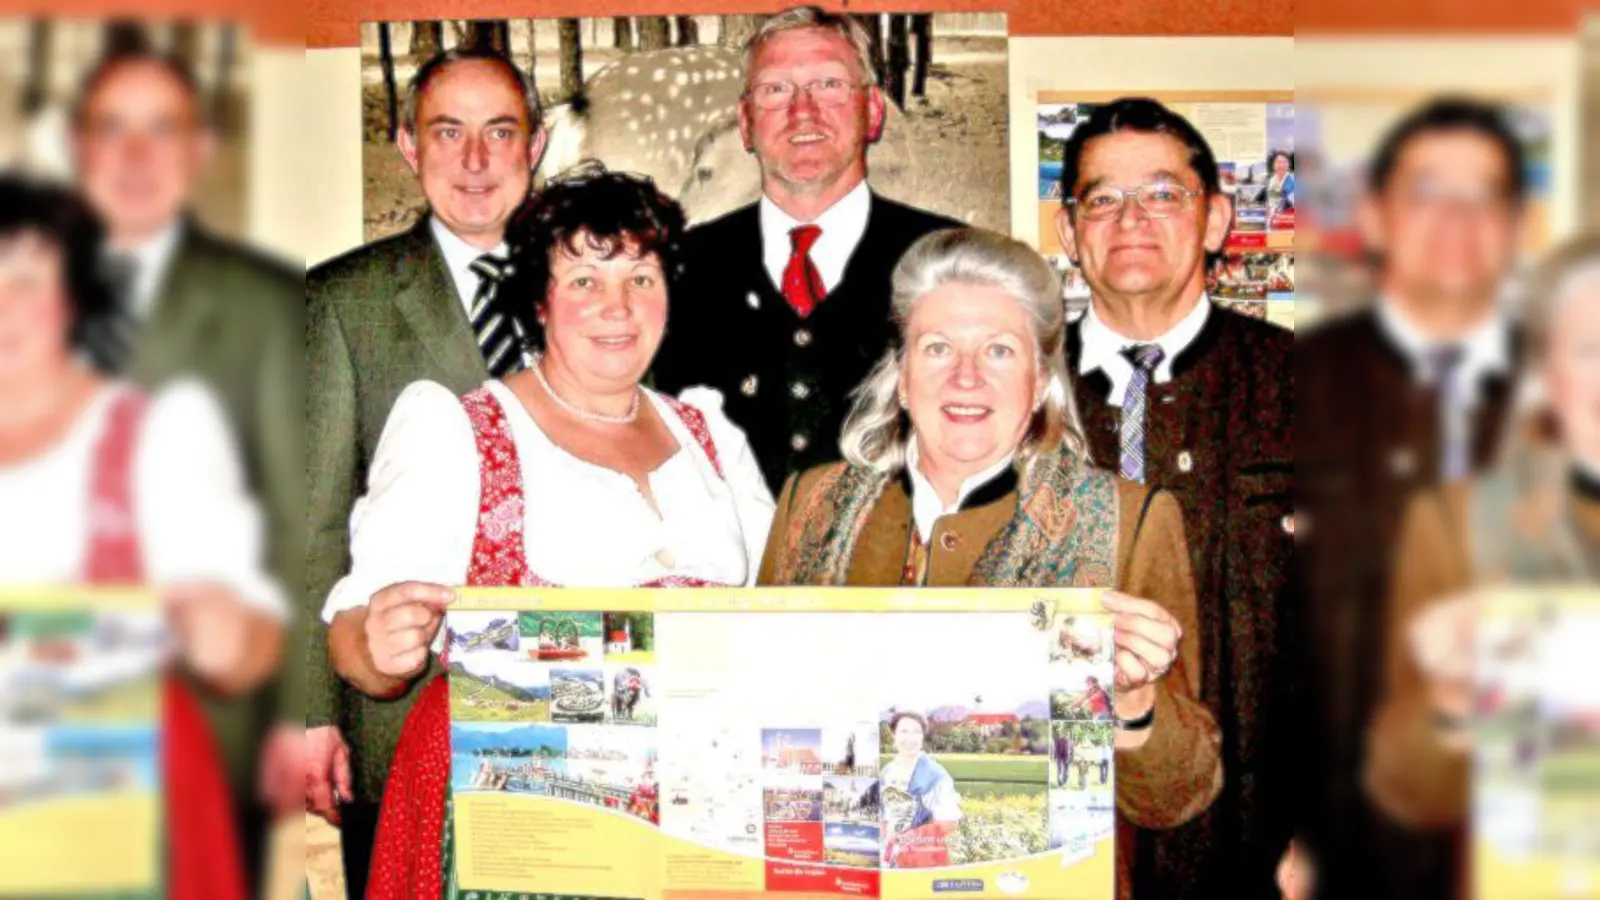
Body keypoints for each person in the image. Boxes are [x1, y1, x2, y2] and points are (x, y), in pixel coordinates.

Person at [324, 169, 774, 897]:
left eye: (641, 278)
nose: (618, 309)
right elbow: (354, 635)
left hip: (687, 818)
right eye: (585, 282)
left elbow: (776, 614)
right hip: (515, 826)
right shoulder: (459, 429)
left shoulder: (709, 432)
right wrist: (377, 647)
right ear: (539, 300)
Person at [759, 227, 1222, 900]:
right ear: (903, 375)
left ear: (1038, 382)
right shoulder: (811, 503)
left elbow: (1181, 794)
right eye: (938, 348)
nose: (966, 376)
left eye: (999, 351)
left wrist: (1132, 704)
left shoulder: (1128, 520)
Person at [304, 45, 549, 897]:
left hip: (579, 717)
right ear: (409, 146)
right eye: (448, 133)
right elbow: (310, 520)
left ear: (537, 144)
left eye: (499, 131)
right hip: (402, 708)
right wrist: (309, 716)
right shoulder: (341, 300)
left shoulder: (598, 292)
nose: (475, 162)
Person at [0, 173, 286, 900]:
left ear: (72, 298)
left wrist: (223, 635)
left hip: (112, 814)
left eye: (27, 280)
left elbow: (247, 646)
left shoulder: (155, 434)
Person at [67, 46, 304, 887]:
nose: (135, 157)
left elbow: (293, 513)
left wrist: (293, 716)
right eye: (112, 129)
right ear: (77, 148)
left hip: (209, 711)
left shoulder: (267, 302)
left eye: (162, 129)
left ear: (199, 150)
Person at [1052, 97, 1294, 900]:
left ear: (1218, 219)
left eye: (1162, 194)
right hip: (1061, 845)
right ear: (1068, 231)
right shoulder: (1007, 395)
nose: (1130, 219)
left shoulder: (1308, 387)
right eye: (1101, 198)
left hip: (1258, 842)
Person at [1297, 97, 1529, 900]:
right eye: (1429, 190)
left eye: (1484, 195)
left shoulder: (1577, 383)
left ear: (1515, 224)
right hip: (1345, 844)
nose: (1457, 220)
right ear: (1376, 213)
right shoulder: (1296, 387)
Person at [1361, 233, 1600, 876]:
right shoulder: (1458, 522)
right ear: (1548, 375)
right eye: (1590, 350)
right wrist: (1450, 701)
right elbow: (1406, 788)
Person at [651, 5, 962, 492]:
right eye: (776, 90)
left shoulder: (955, 263)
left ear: (875, 111)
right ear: (745, 121)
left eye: (829, 85)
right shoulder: (674, 270)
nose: (803, 111)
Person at [881, 711, 961, 868]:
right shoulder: (887, 772)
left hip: (923, 860)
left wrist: (905, 840)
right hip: (889, 858)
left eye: (916, 732)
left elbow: (948, 824)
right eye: (904, 731)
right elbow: (882, 818)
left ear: (923, 737)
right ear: (894, 735)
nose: (910, 738)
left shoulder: (936, 775)